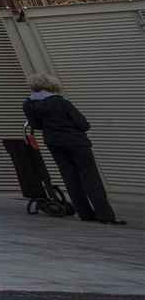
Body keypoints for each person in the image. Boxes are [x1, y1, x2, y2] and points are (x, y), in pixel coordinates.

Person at [23, 73, 126, 225]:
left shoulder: (28, 104)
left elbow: (36, 125)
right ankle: (105, 215)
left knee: (70, 177)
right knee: (90, 177)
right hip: (76, 142)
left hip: (54, 142)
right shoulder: (61, 102)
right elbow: (82, 123)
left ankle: (85, 213)